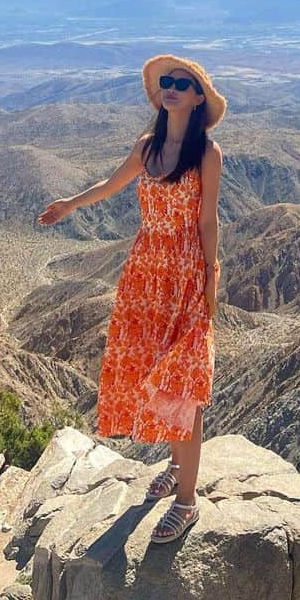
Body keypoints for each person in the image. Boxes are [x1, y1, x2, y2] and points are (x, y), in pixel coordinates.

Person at [36, 53, 225, 544]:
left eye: (183, 83)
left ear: (199, 97)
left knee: (184, 383)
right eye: (167, 82)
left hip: (183, 272)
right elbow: (111, 185)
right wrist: (70, 205)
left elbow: (208, 220)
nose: (172, 88)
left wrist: (210, 275)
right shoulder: (147, 147)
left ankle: (187, 500)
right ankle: (174, 464)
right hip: (145, 272)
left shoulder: (208, 153)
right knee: (154, 368)